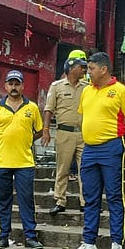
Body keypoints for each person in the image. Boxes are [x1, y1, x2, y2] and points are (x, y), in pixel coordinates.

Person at [70, 52, 125, 249]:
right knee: (90, 198)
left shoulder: (120, 91)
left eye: (90, 69)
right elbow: (84, 117)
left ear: (103, 69)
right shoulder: (86, 92)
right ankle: (89, 241)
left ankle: (117, 242)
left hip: (111, 148)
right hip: (89, 149)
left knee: (115, 196)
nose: (87, 73)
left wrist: (116, 138)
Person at [0, 69, 44, 249]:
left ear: (23, 86)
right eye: (10, 84)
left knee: (26, 200)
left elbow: (39, 131)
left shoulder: (32, 108)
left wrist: (24, 141)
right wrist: (6, 142)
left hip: (25, 162)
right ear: (5, 86)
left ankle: (31, 237)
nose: (13, 87)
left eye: (17, 84)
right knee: (3, 200)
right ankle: (3, 236)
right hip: (2, 162)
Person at [42, 49, 87, 215]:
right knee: (63, 169)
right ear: (71, 67)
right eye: (81, 67)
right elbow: (48, 109)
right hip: (64, 132)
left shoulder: (87, 88)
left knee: (85, 170)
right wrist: (46, 130)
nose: (84, 70)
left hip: (83, 133)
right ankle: (60, 200)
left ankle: (85, 202)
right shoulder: (56, 86)